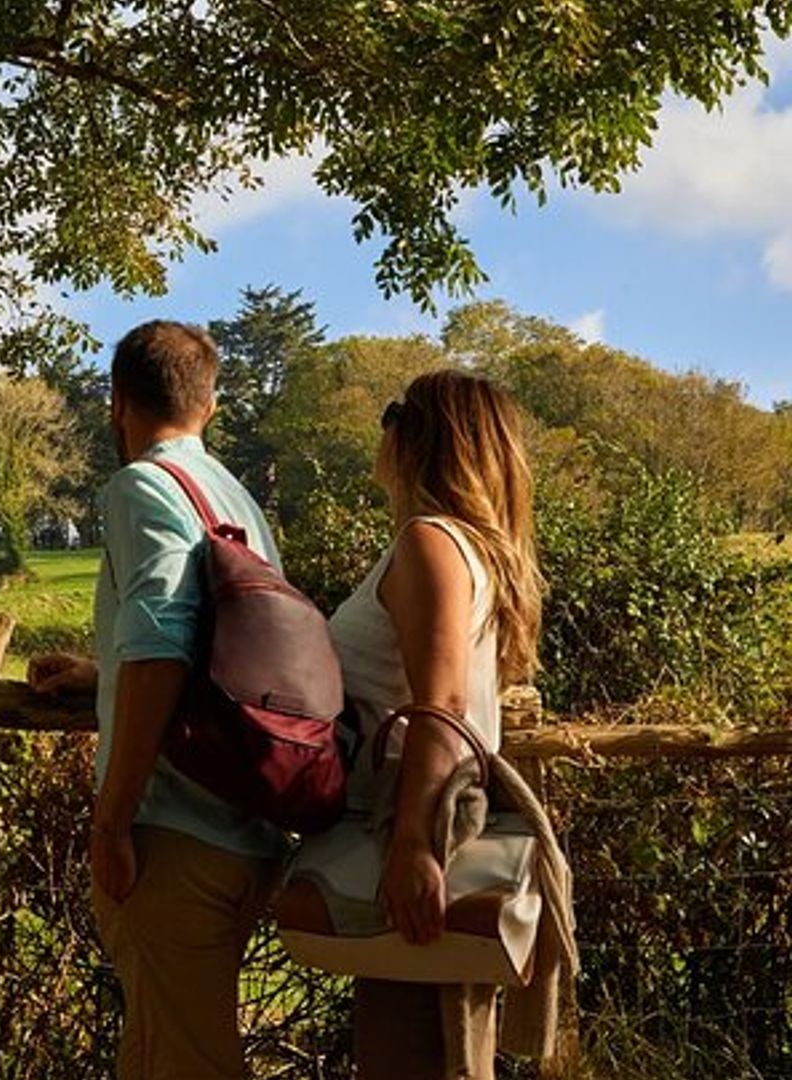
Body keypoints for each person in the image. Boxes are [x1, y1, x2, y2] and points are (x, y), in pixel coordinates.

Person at [28, 321, 288, 1079]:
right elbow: (214, 646)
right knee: (160, 1051)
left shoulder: (143, 485)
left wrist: (111, 822)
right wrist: (103, 672)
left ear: (118, 403)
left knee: (186, 1061)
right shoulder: (233, 495)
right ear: (209, 407)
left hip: (174, 835)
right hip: (246, 822)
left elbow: (162, 643)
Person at [328, 371, 543, 1079]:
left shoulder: (430, 543)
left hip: (416, 819)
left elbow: (441, 703)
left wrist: (414, 845)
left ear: (418, 438)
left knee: (410, 1051)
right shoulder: (474, 551)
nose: (383, 433)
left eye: (392, 416)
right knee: (443, 1048)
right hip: (431, 816)